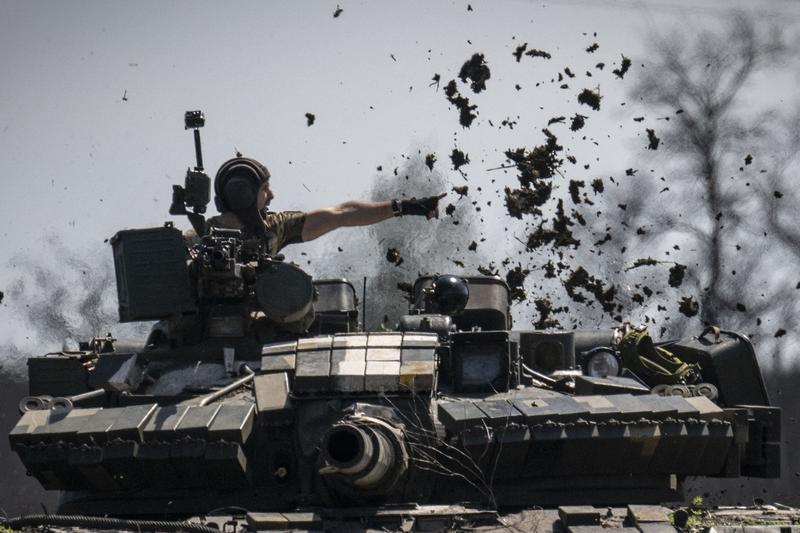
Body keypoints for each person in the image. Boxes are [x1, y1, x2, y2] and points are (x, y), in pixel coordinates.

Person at [200, 156, 446, 255]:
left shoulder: (274, 228)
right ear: (244, 195)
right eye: (265, 189)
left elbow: (343, 214)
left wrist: (407, 206)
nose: (272, 195)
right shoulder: (198, 239)